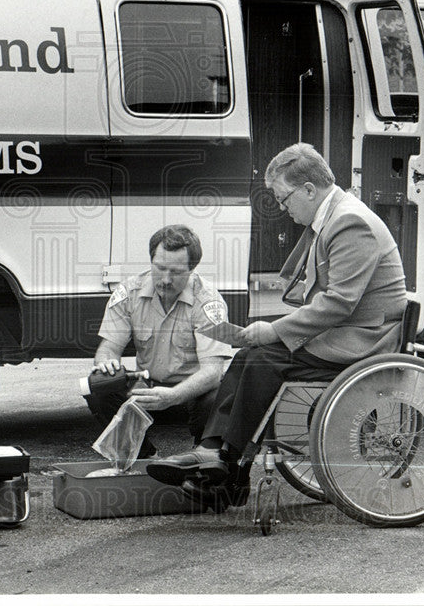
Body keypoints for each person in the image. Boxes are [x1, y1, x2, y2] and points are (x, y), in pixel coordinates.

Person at [146, 143, 407, 507]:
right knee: (253, 355)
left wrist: (275, 329)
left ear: (309, 190)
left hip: (364, 339)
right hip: (350, 329)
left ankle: (225, 464)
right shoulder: (334, 217)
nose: (284, 209)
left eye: (284, 199)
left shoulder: (349, 222)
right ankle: (219, 460)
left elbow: (340, 302)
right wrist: (273, 330)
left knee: (262, 359)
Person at [85, 224, 233, 459]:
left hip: (193, 391)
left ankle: (201, 459)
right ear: (151, 260)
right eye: (160, 268)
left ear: (192, 269)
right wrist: (106, 363)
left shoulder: (208, 302)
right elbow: (108, 349)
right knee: (98, 385)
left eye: (175, 272)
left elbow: (213, 372)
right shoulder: (129, 293)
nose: (165, 279)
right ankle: (145, 457)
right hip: (148, 386)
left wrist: (173, 396)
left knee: (220, 395)